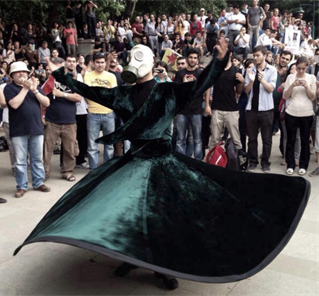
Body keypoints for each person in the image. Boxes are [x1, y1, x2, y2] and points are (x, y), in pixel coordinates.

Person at [15, 40, 311, 294]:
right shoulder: (123, 93)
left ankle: (162, 266)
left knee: (163, 219)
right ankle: (132, 256)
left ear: (152, 61)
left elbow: (201, 84)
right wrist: (57, 75)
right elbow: (89, 91)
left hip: (162, 165)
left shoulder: (169, 91)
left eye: (143, 57)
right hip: (134, 163)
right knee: (131, 216)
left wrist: (219, 61)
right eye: (135, 57)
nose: (138, 62)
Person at [4, 61, 51, 198]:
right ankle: (22, 186)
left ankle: (38, 182)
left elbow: (46, 102)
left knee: (37, 159)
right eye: (18, 72)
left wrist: (35, 90)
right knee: (20, 161)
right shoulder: (9, 88)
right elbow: (14, 104)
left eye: (24, 72)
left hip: (36, 128)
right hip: (19, 130)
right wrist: (25, 88)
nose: (21, 74)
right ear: (12, 75)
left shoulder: (34, 87)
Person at [43, 55, 81, 181]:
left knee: (69, 150)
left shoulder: (74, 80)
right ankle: (45, 173)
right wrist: (42, 115)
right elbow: (41, 98)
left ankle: (67, 172)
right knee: (47, 150)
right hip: (52, 121)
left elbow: (78, 98)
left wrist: (62, 94)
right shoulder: (51, 81)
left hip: (70, 121)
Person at [206, 43, 245, 151]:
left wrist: (242, 82)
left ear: (230, 54)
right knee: (214, 140)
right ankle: (212, 162)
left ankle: (238, 162)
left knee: (236, 140)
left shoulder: (237, 70)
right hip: (216, 108)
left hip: (232, 109)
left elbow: (238, 92)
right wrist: (207, 105)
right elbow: (208, 86)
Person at [244, 45, 277, 172]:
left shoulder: (272, 70)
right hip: (251, 109)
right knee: (252, 138)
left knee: (267, 138)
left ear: (264, 55)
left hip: (266, 110)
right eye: (254, 55)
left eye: (258, 55)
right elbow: (246, 90)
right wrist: (251, 81)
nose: (255, 58)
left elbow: (271, 89)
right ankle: (252, 161)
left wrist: (262, 80)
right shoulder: (250, 70)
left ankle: (265, 163)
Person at [283, 56, 316, 175]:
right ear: (295, 67)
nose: (301, 71)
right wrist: (292, 85)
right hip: (291, 112)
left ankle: (303, 165)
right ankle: (290, 164)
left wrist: (307, 87)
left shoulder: (311, 78)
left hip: (306, 112)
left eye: (303, 68)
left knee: (304, 140)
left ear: (307, 67)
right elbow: (285, 96)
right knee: (290, 140)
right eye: (298, 68)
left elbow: (312, 97)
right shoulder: (290, 77)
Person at [84, 52, 117, 170]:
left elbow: (113, 95)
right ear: (93, 63)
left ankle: (106, 170)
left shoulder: (111, 76)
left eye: (102, 62)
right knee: (92, 145)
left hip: (108, 113)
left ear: (105, 63)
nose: (100, 65)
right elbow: (87, 94)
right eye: (97, 62)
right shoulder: (88, 76)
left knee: (109, 144)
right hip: (93, 114)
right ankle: (93, 171)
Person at [174, 48, 203, 160]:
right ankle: (181, 162)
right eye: (191, 57)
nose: (192, 60)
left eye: (195, 58)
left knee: (197, 139)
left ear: (198, 60)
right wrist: (184, 85)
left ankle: (198, 163)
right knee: (180, 138)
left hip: (196, 110)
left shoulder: (200, 73)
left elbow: (202, 90)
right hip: (182, 110)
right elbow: (176, 92)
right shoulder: (180, 73)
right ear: (187, 58)